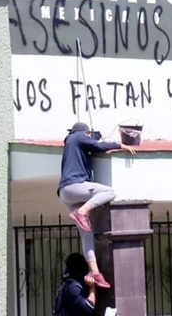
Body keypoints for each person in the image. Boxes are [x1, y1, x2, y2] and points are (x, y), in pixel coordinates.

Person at [58, 121, 136, 288]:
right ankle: (82, 212)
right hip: (75, 186)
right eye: (89, 135)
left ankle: (95, 272)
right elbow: (99, 146)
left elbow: (92, 147)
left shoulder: (71, 143)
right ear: (85, 133)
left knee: (87, 233)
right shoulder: (78, 136)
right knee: (110, 192)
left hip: (65, 194)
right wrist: (121, 145)